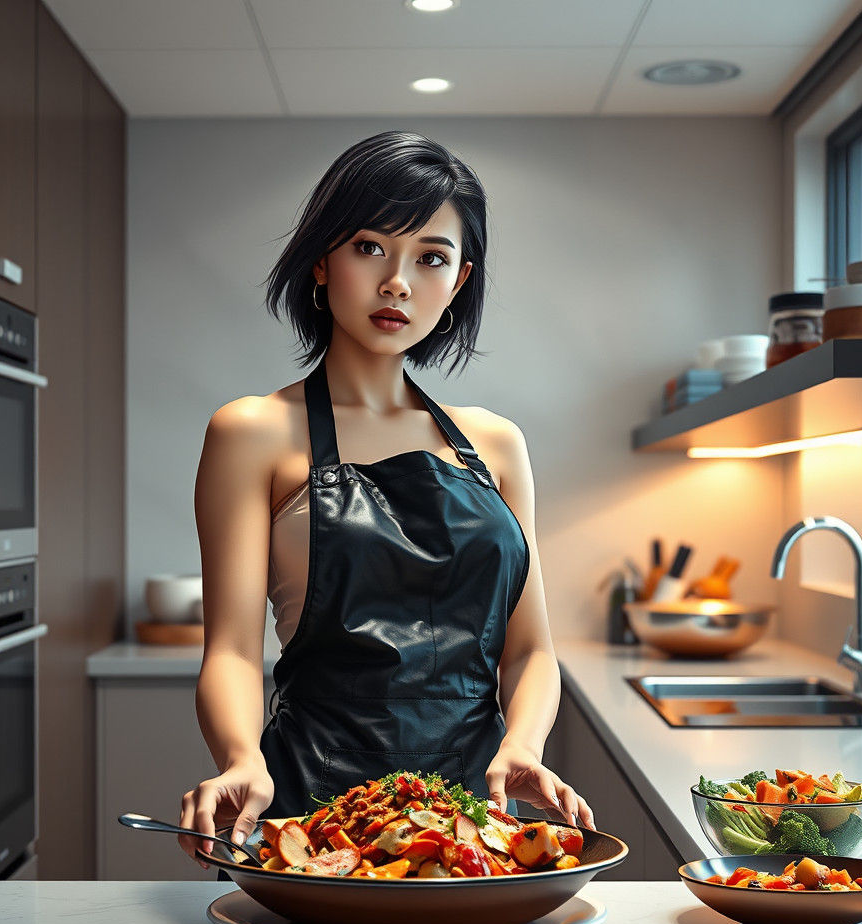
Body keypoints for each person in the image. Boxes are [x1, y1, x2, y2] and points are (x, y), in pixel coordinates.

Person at [178, 130, 594, 870]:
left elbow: (530, 650)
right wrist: (242, 758)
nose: (397, 282)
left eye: (430, 258)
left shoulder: (496, 445)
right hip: (311, 815)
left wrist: (524, 747)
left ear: (458, 282)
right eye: (370, 247)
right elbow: (235, 651)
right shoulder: (251, 432)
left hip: (472, 823)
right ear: (321, 259)